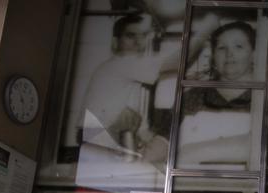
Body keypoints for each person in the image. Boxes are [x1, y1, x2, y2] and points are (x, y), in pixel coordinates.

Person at [79, 13, 220, 160]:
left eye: (142, 36)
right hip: (98, 135)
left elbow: (160, 74)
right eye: (130, 36)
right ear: (115, 42)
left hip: (96, 134)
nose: (138, 42)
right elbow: (178, 61)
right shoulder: (124, 63)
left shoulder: (117, 67)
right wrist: (208, 27)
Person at [178, 21, 257, 168]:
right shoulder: (192, 97)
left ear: (253, 54)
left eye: (238, 46)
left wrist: (192, 152)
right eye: (221, 48)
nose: (229, 54)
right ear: (213, 55)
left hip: (247, 188)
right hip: (191, 186)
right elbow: (165, 142)